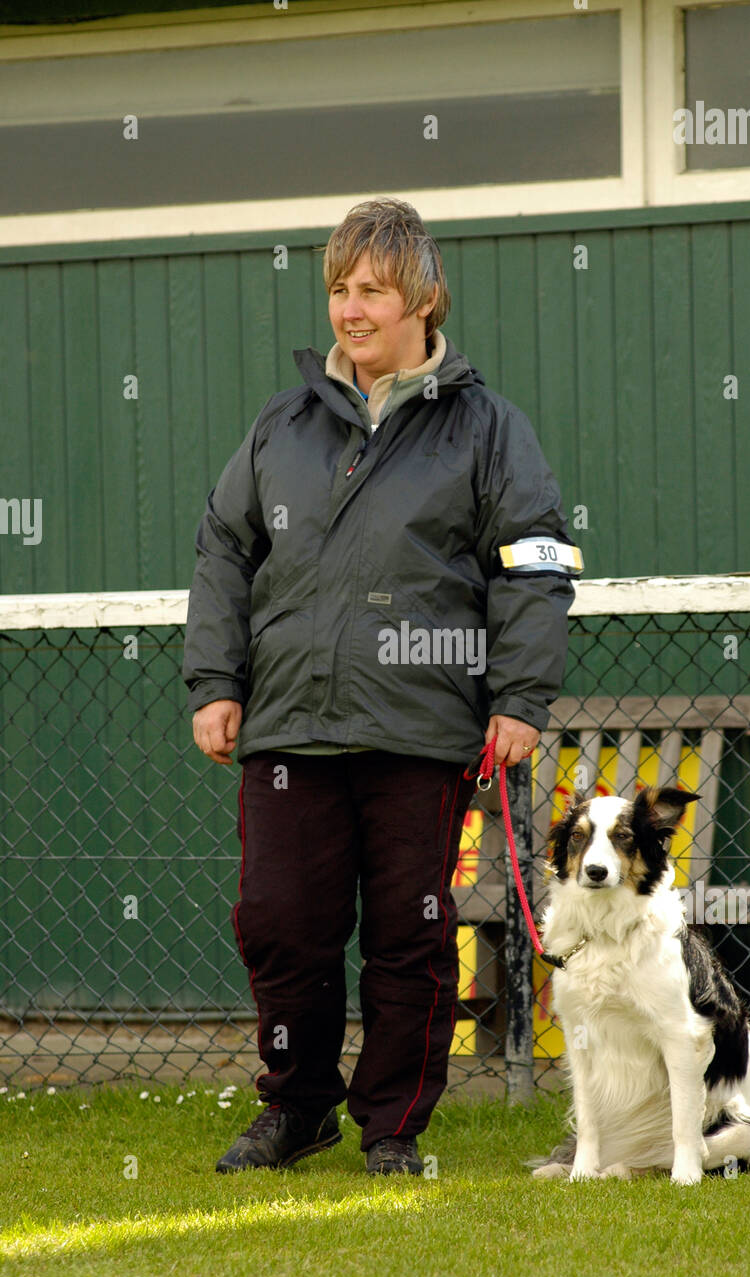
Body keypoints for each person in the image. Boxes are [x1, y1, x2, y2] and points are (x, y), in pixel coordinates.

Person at [182, 197, 580, 1175]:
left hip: (421, 733)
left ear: (422, 298)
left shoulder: (487, 427)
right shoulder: (283, 424)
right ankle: (297, 1108)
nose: (350, 311)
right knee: (283, 927)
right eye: (338, 291)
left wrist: (520, 699)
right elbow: (225, 551)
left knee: (410, 938)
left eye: (371, 290)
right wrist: (214, 681)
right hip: (288, 734)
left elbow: (532, 562)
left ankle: (393, 1125)